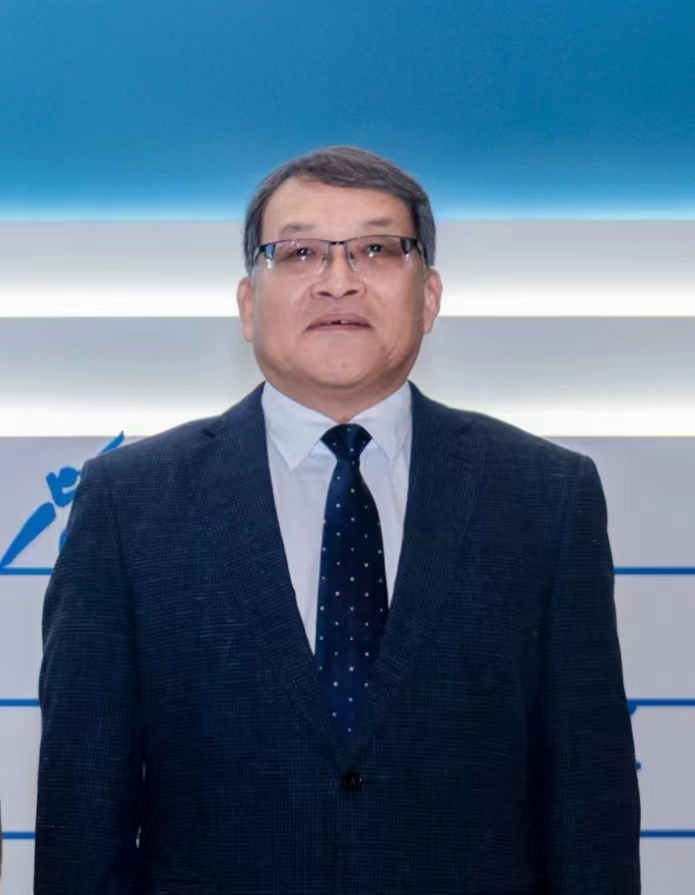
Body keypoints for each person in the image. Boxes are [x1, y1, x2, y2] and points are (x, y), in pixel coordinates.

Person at [34, 146, 641, 894]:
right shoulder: (129, 503)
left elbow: (589, 804)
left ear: (429, 297)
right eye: (299, 253)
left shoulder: (545, 496)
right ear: (248, 304)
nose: (338, 279)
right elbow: (82, 812)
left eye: (377, 250)